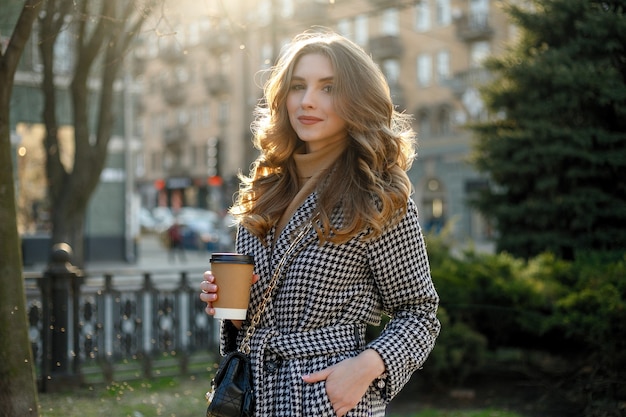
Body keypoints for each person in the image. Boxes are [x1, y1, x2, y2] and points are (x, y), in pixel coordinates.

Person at [199, 30, 440, 417]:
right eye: (298, 86)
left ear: (358, 99)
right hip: (253, 398)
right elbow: (257, 316)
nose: (308, 101)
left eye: (328, 88)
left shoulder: (376, 197)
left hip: (326, 399)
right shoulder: (267, 189)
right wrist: (230, 307)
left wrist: (365, 368)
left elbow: (420, 314)